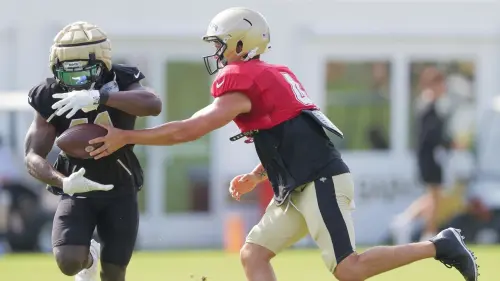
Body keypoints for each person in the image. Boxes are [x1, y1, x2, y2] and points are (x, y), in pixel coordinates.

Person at [73, 8, 476, 281]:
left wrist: (128, 136)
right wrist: (258, 173)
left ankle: (439, 245)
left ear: (241, 44)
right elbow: (292, 133)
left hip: (320, 181)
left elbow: (191, 129)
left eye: (220, 44)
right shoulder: (272, 75)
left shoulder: (242, 82)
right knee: (253, 254)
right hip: (298, 184)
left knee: (348, 268)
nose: (214, 53)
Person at [24, 21, 161, 281]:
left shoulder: (121, 79)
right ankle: (89, 257)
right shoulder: (49, 93)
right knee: (68, 262)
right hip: (77, 187)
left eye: (83, 73)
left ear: (104, 64)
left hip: (119, 186)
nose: (76, 81)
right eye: (68, 73)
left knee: (113, 273)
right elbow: (32, 157)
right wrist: (63, 182)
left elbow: (153, 105)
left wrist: (101, 97)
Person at [391, 67, 452, 244]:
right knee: (435, 195)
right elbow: (431, 135)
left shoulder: (431, 104)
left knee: (435, 195)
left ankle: (409, 221)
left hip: (430, 155)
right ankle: (425, 230)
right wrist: (448, 144)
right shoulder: (429, 105)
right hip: (430, 156)